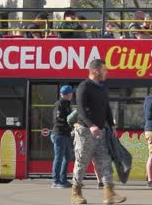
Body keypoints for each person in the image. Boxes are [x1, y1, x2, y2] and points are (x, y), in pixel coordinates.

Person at [71, 59, 126, 204]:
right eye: (104, 70)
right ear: (95, 71)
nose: (106, 72)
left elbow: (106, 107)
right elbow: (81, 110)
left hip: (101, 132)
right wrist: (91, 125)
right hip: (85, 132)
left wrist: (111, 124)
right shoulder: (84, 87)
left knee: (106, 161)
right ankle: (76, 193)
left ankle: (109, 194)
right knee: (82, 162)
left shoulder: (101, 87)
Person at [51, 85, 74, 189]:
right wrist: (70, 126)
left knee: (67, 157)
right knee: (59, 158)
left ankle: (63, 179)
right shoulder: (59, 104)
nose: (72, 95)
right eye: (71, 93)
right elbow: (58, 120)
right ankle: (56, 181)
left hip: (65, 134)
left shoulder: (67, 104)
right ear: (68, 94)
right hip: (59, 134)